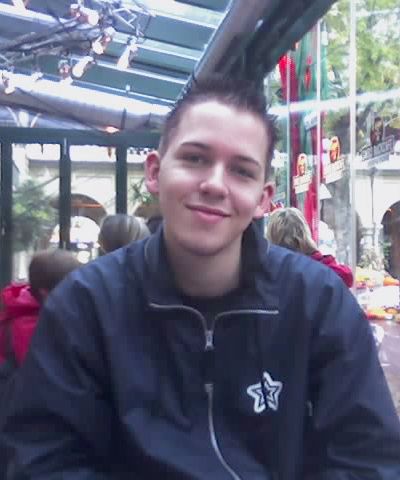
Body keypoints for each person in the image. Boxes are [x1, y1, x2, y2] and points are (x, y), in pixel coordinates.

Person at [1, 76, 399, 480]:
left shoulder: (317, 302)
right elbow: (42, 459)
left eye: (241, 171)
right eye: (194, 159)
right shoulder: (85, 305)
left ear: (263, 199)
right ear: (155, 172)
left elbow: (369, 457)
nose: (214, 185)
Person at [0, 249, 81, 368]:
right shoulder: (32, 329)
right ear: (46, 293)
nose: (76, 296)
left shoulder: (15, 314)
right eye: (70, 290)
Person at [266, 207, 354, 287]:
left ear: (272, 237)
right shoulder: (321, 268)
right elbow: (347, 276)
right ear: (305, 232)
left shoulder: (270, 275)